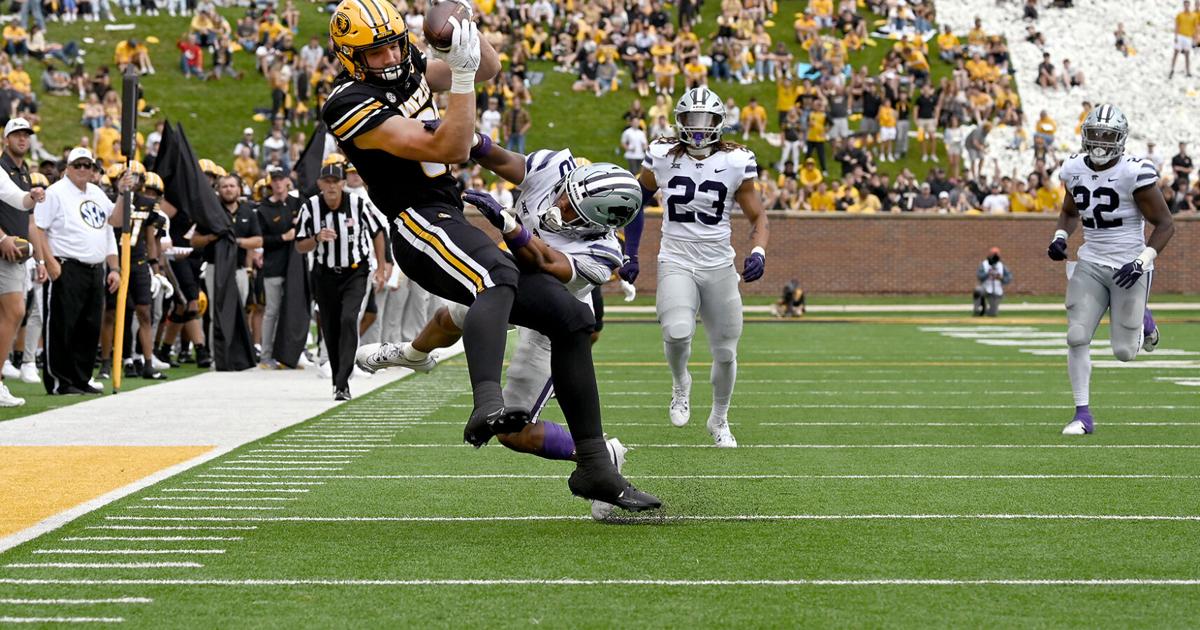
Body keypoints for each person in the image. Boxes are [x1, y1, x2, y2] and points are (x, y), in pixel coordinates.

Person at [322, 0, 657, 509]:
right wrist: (459, 74)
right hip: (417, 223)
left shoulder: (406, 63)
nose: (391, 56)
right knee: (496, 271)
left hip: (447, 213)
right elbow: (454, 149)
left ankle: (594, 466)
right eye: (376, 51)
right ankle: (485, 401)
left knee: (571, 319)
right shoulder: (348, 101)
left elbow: (492, 66)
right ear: (349, 57)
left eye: (395, 43)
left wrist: (465, 37)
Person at [358, 156, 640, 521]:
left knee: (514, 434)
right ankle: (412, 354)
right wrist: (471, 142)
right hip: (504, 283)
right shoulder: (555, 168)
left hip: (551, 319)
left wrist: (512, 228)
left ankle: (600, 452)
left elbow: (544, 264)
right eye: (565, 195)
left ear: (598, 224)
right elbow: (505, 159)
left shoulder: (603, 252)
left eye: (572, 210)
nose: (560, 205)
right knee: (452, 316)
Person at [624, 86, 770, 448]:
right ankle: (680, 384)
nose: (700, 128)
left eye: (706, 120)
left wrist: (759, 251)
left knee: (725, 351)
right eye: (693, 119)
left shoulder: (738, 160)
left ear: (719, 122)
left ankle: (719, 419)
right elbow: (632, 203)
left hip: (719, 262)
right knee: (675, 331)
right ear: (680, 121)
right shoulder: (660, 153)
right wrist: (630, 252)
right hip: (676, 256)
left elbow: (758, 215)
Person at [1047, 104, 1175, 435]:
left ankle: (1144, 318)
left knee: (1123, 352)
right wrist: (1060, 236)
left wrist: (1143, 261)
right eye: (1095, 135)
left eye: (1108, 136)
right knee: (1076, 336)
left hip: (1129, 265)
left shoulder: (1134, 172)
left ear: (1120, 140)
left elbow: (1165, 224)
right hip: (1090, 261)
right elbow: (1070, 211)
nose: (1101, 142)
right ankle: (1082, 415)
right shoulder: (1074, 168)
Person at [29, 147, 126, 395]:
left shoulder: (96, 192)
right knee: (63, 324)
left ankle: (81, 378)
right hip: (66, 264)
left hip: (94, 269)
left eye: (88, 165)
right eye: (78, 165)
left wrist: (123, 194)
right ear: (68, 168)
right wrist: (50, 263)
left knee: (89, 325)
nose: (83, 170)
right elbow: (39, 229)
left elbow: (113, 222)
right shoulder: (56, 193)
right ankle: (60, 380)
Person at [296, 163, 386, 400]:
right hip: (324, 274)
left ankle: (342, 382)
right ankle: (338, 378)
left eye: (336, 181)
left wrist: (382, 267)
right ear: (320, 185)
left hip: (355, 272)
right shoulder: (310, 207)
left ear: (343, 184)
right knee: (330, 328)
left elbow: (377, 232)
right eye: (328, 181)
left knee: (348, 319)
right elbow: (299, 244)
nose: (332, 186)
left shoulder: (358, 204)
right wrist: (317, 238)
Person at [0, 118, 44, 404]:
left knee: (14, 312)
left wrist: (32, 196)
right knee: (14, 311)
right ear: (6, 139)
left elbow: (21, 204)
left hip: (14, 254)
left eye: (26, 134)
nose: (23, 139)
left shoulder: (24, 172)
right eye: (17, 134)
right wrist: (2, 237)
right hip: (4, 249)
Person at [256, 166, 299, 368]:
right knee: (272, 310)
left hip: (295, 267)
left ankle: (290, 353)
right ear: (270, 182)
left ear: (287, 181)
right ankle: (266, 354)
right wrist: (282, 237)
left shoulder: (297, 204)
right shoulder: (264, 209)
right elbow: (260, 239)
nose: (279, 183)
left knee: (293, 310)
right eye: (275, 179)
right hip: (273, 265)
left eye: (281, 179)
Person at [973, 247, 1011, 317]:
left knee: (993, 314)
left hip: (997, 291)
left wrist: (1001, 278)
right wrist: (988, 274)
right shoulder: (984, 264)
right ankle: (977, 310)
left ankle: (986, 310)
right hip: (985, 288)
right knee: (978, 290)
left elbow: (1009, 278)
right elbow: (979, 276)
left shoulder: (1002, 266)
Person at [1170, 0, 1196, 79]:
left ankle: (1188, 72)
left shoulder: (1193, 16)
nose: (1186, 6)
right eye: (1185, 5)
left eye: (1187, 5)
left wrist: (1194, 38)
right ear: (1183, 5)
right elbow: (1177, 26)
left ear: (1189, 5)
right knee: (1176, 52)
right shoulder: (1180, 15)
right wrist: (1176, 36)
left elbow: (1194, 28)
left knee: (1187, 55)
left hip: (1188, 37)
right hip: (1180, 36)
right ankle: (1172, 69)